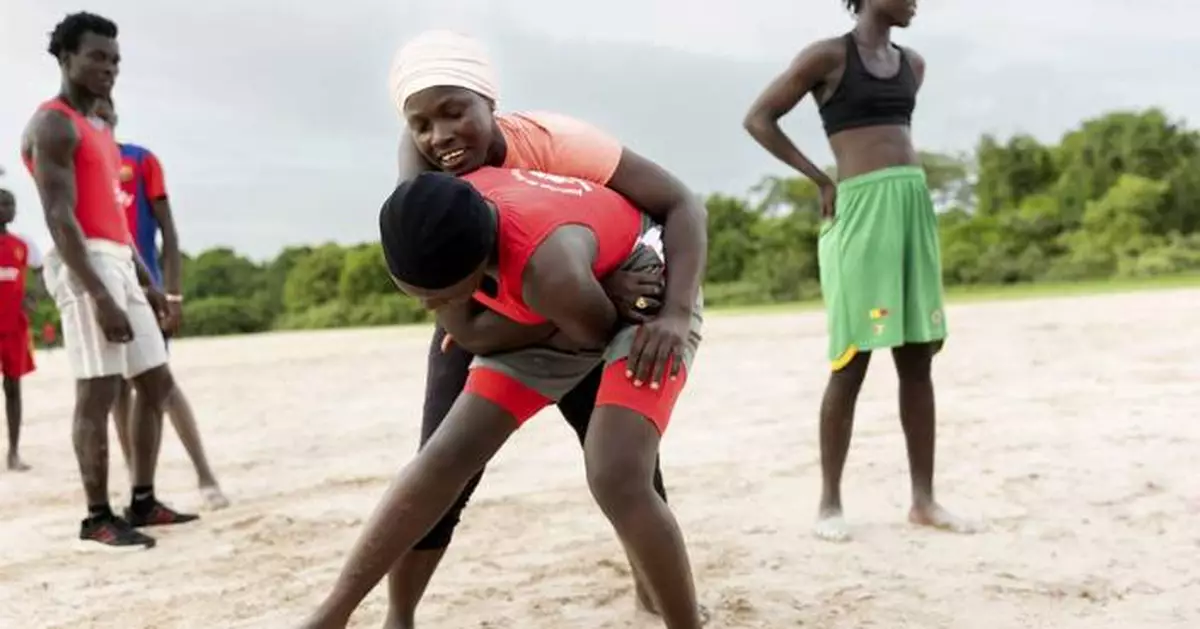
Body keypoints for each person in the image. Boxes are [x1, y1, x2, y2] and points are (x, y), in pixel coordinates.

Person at [383, 30, 708, 626]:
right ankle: (399, 615)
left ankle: (651, 592)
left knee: (624, 467)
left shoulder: (558, 143)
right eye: (422, 124)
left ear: (490, 103)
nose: (441, 137)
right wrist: (588, 302)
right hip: (498, 313)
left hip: (577, 298)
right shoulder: (423, 182)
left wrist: (675, 312)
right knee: (442, 466)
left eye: (456, 112)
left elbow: (682, 203)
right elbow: (468, 327)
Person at [301, 168, 704, 629]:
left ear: (477, 264)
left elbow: (593, 334)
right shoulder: (445, 220)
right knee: (443, 456)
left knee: (615, 473)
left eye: (437, 297)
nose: (429, 308)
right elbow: (469, 330)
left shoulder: (551, 273)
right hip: (565, 302)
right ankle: (330, 617)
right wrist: (509, 315)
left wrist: (596, 296)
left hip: (642, 295)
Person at [744, 0, 973, 542]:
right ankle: (829, 504)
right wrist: (820, 179)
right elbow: (758, 118)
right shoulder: (827, 57)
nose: (917, 2)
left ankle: (924, 500)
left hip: (912, 207)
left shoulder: (913, 64)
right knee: (851, 358)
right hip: (859, 211)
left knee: (918, 356)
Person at [20, 11, 198, 549]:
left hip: (119, 257)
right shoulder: (51, 124)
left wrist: (150, 284)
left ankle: (141, 500)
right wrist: (99, 295)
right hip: (83, 263)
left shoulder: (101, 126)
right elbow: (59, 216)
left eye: (115, 59)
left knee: (156, 381)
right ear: (65, 57)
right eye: (97, 56)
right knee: (98, 391)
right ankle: (96, 516)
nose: (109, 67)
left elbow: (118, 221)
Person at [91, 96, 230, 510]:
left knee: (160, 384)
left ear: (114, 115)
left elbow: (168, 234)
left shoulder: (141, 161)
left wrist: (172, 293)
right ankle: (142, 490)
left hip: (145, 287)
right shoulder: (82, 169)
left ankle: (205, 475)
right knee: (118, 391)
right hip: (103, 290)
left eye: (104, 111)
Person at [0, 188, 43, 471]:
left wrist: (33, 296)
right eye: (3, 204)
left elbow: (41, 270)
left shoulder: (23, 244)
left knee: (13, 388)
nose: (8, 208)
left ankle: (14, 452)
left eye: (11, 203)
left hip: (15, 327)